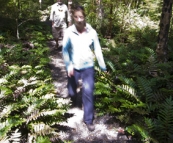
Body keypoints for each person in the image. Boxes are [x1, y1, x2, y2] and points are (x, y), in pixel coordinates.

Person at [62, 5, 107, 132]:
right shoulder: (69, 32)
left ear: (85, 17)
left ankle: (88, 120)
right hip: (74, 67)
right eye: (76, 17)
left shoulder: (92, 32)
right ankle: (73, 97)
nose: (79, 19)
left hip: (88, 67)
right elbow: (65, 50)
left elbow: (97, 50)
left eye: (81, 16)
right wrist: (68, 65)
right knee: (71, 91)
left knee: (88, 92)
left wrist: (103, 67)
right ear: (73, 17)